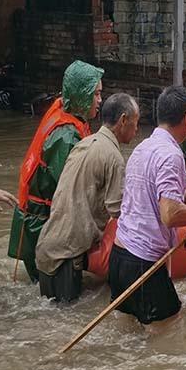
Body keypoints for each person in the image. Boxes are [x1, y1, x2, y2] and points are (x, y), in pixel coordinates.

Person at [110, 86, 186, 324]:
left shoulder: (143, 147)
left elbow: (168, 195)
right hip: (143, 262)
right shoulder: (171, 155)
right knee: (166, 330)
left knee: (128, 331)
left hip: (120, 256)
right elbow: (170, 214)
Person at [35, 94, 140, 302]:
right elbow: (118, 211)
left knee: (52, 318)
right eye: (136, 124)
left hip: (47, 249)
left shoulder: (84, 143)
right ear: (123, 120)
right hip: (66, 259)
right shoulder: (113, 158)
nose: (137, 131)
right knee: (66, 320)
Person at [8, 60, 104, 283]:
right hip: (41, 226)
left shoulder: (68, 112)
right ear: (82, 94)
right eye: (96, 94)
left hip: (40, 221)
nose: (100, 100)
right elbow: (73, 189)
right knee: (58, 298)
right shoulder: (66, 136)